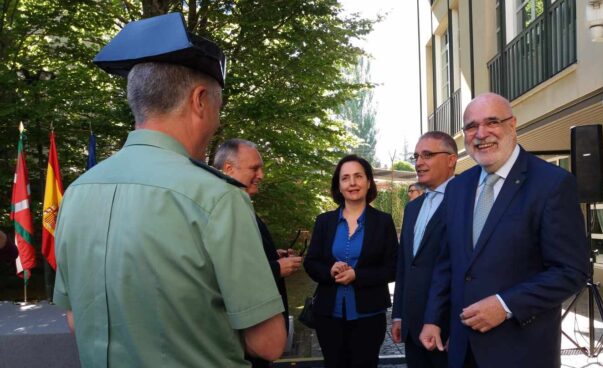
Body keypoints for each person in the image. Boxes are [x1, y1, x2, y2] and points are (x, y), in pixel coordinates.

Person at [53, 13, 286, 367]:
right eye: (218, 106)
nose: (217, 119)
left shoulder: (76, 193)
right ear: (199, 100)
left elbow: (74, 319)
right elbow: (268, 344)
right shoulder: (218, 198)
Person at [419, 93, 588, 368]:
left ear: (513, 125)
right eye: (471, 126)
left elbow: (572, 271)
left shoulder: (553, 184)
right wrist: (433, 319)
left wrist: (505, 305)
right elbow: (447, 263)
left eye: (492, 122)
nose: (481, 133)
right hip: (462, 350)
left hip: (521, 350)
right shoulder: (458, 188)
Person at [213, 138, 303, 368]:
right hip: (243, 344)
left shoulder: (239, 204)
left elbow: (242, 256)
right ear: (229, 169)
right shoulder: (221, 208)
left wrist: (274, 254)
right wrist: (277, 268)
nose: (261, 175)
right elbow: (226, 273)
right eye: (254, 168)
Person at [303, 154, 398, 368]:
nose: (352, 183)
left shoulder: (383, 222)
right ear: (339, 185)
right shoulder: (324, 221)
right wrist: (329, 270)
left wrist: (358, 275)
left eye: (358, 176)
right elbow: (311, 262)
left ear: (368, 181)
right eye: (345, 178)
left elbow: (393, 269)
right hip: (328, 315)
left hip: (370, 315)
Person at [391, 131, 457, 367]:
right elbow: (405, 266)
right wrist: (398, 314)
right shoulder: (413, 208)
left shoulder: (467, 201)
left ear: (451, 160)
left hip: (448, 330)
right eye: (416, 156)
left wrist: (456, 329)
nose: (419, 162)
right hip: (412, 328)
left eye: (427, 155)